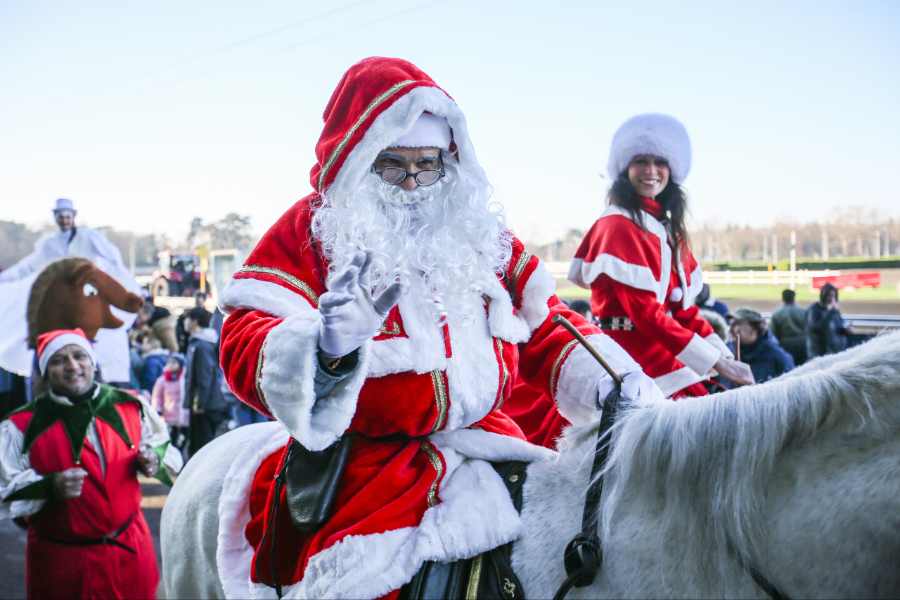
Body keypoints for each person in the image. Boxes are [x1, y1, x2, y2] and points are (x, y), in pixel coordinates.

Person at [216, 57, 661, 598]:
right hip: (372, 467)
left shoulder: (474, 230)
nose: (412, 181)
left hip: (490, 442)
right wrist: (326, 349)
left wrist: (616, 381)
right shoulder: (312, 231)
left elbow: (542, 324)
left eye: (427, 164)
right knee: (359, 584)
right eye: (392, 165)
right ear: (357, 159)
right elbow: (242, 339)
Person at [569, 113, 754, 397]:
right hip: (625, 356)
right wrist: (716, 362)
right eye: (641, 161)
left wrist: (724, 356)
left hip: (660, 349)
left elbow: (683, 311)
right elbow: (646, 315)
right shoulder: (616, 224)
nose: (651, 170)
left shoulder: (667, 230)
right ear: (625, 169)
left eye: (660, 162)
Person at [0, 328, 182, 599]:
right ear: (46, 371)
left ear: (92, 361)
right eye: (59, 360)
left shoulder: (130, 405)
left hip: (130, 554)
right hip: (61, 566)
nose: (73, 366)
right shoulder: (20, 426)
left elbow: (165, 448)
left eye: (79, 356)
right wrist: (50, 486)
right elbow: (4, 490)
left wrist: (153, 458)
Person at [0, 198, 141, 384]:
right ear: (56, 218)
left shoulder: (89, 237)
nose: (64, 220)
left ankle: (101, 373)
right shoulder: (49, 244)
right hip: (62, 299)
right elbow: (28, 266)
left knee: (102, 335)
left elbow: (112, 257)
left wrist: (124, 279)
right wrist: (4, 277)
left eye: (67, 216)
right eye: (61, 217)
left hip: (86, 293)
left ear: (73, 216)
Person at [183, 306, 227, 454]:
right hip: (203, 403)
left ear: (195, 322)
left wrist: (199, 403)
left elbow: (204, 377)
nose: (185, 322)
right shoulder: (198, 343)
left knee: (201, 445)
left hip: (205, 405)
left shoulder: (201, 345)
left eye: (187, 319)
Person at [727, 308, 795, 384]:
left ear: (754, 328)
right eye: (731, 324)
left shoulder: (776, 355)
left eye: (738, 324)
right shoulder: (728, 352)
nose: (732, 329)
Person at [151, 353, 190, 452]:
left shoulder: (184, 379)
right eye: (169, 362)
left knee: (183, 439)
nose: (171, 365)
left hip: (183, 416)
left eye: (174, 362)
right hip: (169, 416)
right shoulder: (162, 380)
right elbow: (157, 397)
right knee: (171, 439)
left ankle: (181, 456)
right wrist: (157, 410)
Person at [806, 282, 849, 358]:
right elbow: (816, 328)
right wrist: (831, 312)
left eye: (833, 296)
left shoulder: (834, 311)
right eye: (830, 296)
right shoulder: (814, 309)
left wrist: (845, 330)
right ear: (823, 296)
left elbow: (838, 327)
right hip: (818, 352)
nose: (832, 299)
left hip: (833, 351)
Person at [770, 288, 808, 365]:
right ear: (794, 298)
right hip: (802, 344)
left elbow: (774, 334)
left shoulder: (777, 314)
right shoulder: (803, 312)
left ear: (783, 298)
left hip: (786, 345)